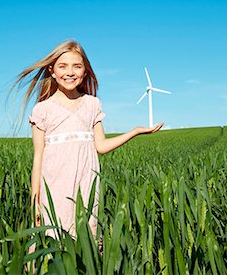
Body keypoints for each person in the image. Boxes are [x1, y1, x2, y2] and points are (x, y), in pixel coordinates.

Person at [9, 40, 163, 249]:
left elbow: (101, 146)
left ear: (85, 71)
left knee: (86, 243)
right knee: (53, 242)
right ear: (52, 70)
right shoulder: (42, 110)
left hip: (87, 185)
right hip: (54, 188)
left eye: (77, 66)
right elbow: (38, 159)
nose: (70, 72)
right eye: (63, 66)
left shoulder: (92, 104)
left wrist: (134, 132)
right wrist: (34, 203)